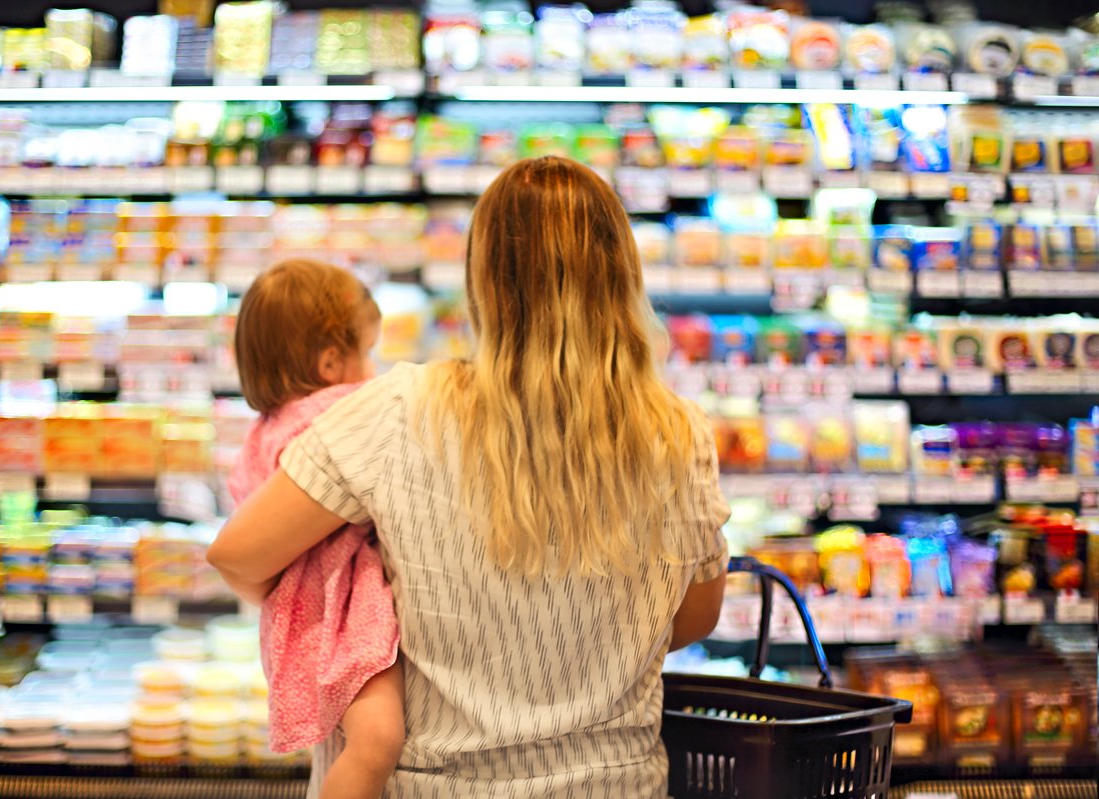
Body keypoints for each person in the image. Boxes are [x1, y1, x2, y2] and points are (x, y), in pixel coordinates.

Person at [208, 156, 729, 798]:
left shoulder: (395, 412)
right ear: (622, 276)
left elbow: (238, 555)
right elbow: (694, 618)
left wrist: (353, 612)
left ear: (483, 279)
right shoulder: (678, 433)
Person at [223, 258, 404, 799]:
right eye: (366, 353)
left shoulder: (267, 428)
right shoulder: (337, 413)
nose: (373, 371)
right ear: (330, 363)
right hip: (341, 614)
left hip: (303, 615)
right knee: (378, 741)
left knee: (350, 746)